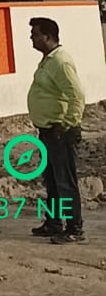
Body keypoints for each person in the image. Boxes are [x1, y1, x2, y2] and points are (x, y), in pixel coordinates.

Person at [27, 17, 86, 244]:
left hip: (59, 131)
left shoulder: (60, 62)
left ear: (48, 36)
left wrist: (67, 123)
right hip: (47, 131)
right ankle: (53, 223)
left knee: (65, 181)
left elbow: (76, 95)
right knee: (52, 180)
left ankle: (74, 228)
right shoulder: (47, 60)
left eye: (35, 34)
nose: (32, 38)